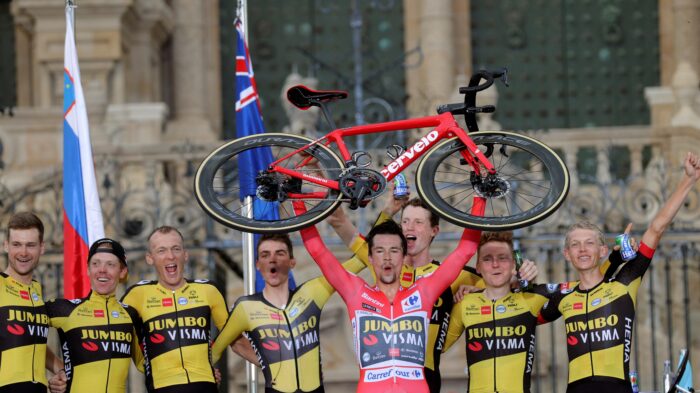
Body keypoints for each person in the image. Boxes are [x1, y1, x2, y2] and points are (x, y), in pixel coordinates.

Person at [328, 194, 528, 393]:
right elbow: (340, 223)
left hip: (427, 377)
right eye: (405, 222)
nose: (409, 228)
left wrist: (487, 286)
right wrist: (388, 210)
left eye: (418, 222)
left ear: (434, 230)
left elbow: (509, 284)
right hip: (382, 377)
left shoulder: (454, 274)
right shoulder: (384, 265)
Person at [540, 152, 700, 393]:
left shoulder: (624, 284)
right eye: (575, 244)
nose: (582, 249)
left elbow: (656, 229)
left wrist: (688, 179)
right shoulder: (564, 297)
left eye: (589, 243)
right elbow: (519, 314)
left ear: (603, 250)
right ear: (567, 254)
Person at [297, 198, 484, 393]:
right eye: (379, 251)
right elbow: (317, 250)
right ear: (370, 257)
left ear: (403, 257)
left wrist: (480, 196)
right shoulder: (356, 292)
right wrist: (297, 200)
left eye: (394, 250)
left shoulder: (423, 292)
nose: (387, 257)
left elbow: (466, 250)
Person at [210, 232, 368, 393]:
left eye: (280, 253)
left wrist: (387, 214)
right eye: (265, 255)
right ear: (257, 264)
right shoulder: (245, 307)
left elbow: (362, 259)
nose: (273, 259)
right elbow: (215, 351)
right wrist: (207, 375)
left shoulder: (312, 292)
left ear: (292, 262)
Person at [442, 231, 568, 393]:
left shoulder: (530, 299)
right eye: (487, 259)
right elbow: (438, 346)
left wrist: (529, 282)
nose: (495, 264)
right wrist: (447, 303)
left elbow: (584, 288)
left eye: (502, 258)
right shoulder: (465, 303)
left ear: (513, 266)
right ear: (478, 267)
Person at [121, 226, 230, 393]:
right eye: (161, 250)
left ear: (185, 255)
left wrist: (210, 360)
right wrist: (144, 364)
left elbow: (236, 338)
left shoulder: (208, 290)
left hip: (204, 386)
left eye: (176, 249)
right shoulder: (137, 295)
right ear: (150, 258)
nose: (170, 256)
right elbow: (116, 336)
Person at [46, 238, 144, 393]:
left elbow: (147, 364)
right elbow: (26, 334)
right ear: (87, 269)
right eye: (96, 263)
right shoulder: (65, 309)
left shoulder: (131, 315)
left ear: (122, 271)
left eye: (110, 264)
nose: (102, 270)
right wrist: (59, 369)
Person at [0, 212, 62, 393]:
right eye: (17, 244)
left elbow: (29, 338)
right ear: (6, 246)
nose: (23, 252)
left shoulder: (36, 290)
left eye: (31, 245)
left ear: (42, 247)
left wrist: (61, 370)